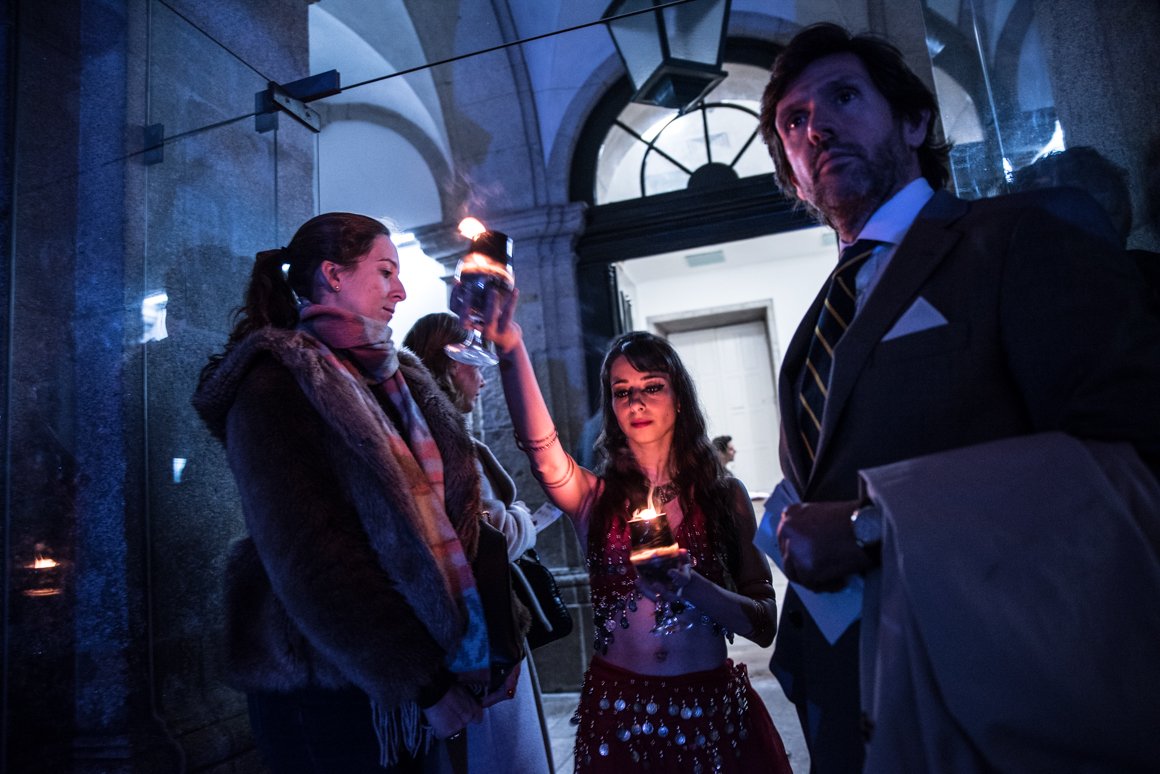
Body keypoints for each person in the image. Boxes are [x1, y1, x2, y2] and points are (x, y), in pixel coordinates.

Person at [756, 23, 1160, 773]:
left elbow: (1131, 456)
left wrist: (872, 526)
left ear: (914, 122)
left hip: (1001, 691)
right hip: (858, 696)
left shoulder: (1015, 239)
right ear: (793, 176)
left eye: (843, 97)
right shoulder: (818, 322)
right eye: (794, 121)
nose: (818, 129)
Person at [192, 213, 522, 773]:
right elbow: (313, 556)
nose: (402, 290)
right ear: (334, 274)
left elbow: (455, 517)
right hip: (329, 686)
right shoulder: (275, 382)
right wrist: (423, 681)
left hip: (421, 673)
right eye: (386, 271)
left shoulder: (400, 376)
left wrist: (491, 637)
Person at [465, 283, 792, 772]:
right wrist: (510, 344)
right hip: (621, 715)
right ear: (613, 410)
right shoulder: (594, 498)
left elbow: (763, 625)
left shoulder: (725, 495)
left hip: (712, 712)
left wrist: (693, 586)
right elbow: (541, 451)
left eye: (651, 386)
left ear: (678, 398)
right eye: (622, 392)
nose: (636, 401)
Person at [402, 312, 552, 773]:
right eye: (472, 364)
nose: (482, 376)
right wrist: (527, 517)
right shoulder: (442, 442)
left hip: (476, 626)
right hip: (478, 631)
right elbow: (492, 535)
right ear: (450, 367)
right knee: (501, 752)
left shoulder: (429, 431)